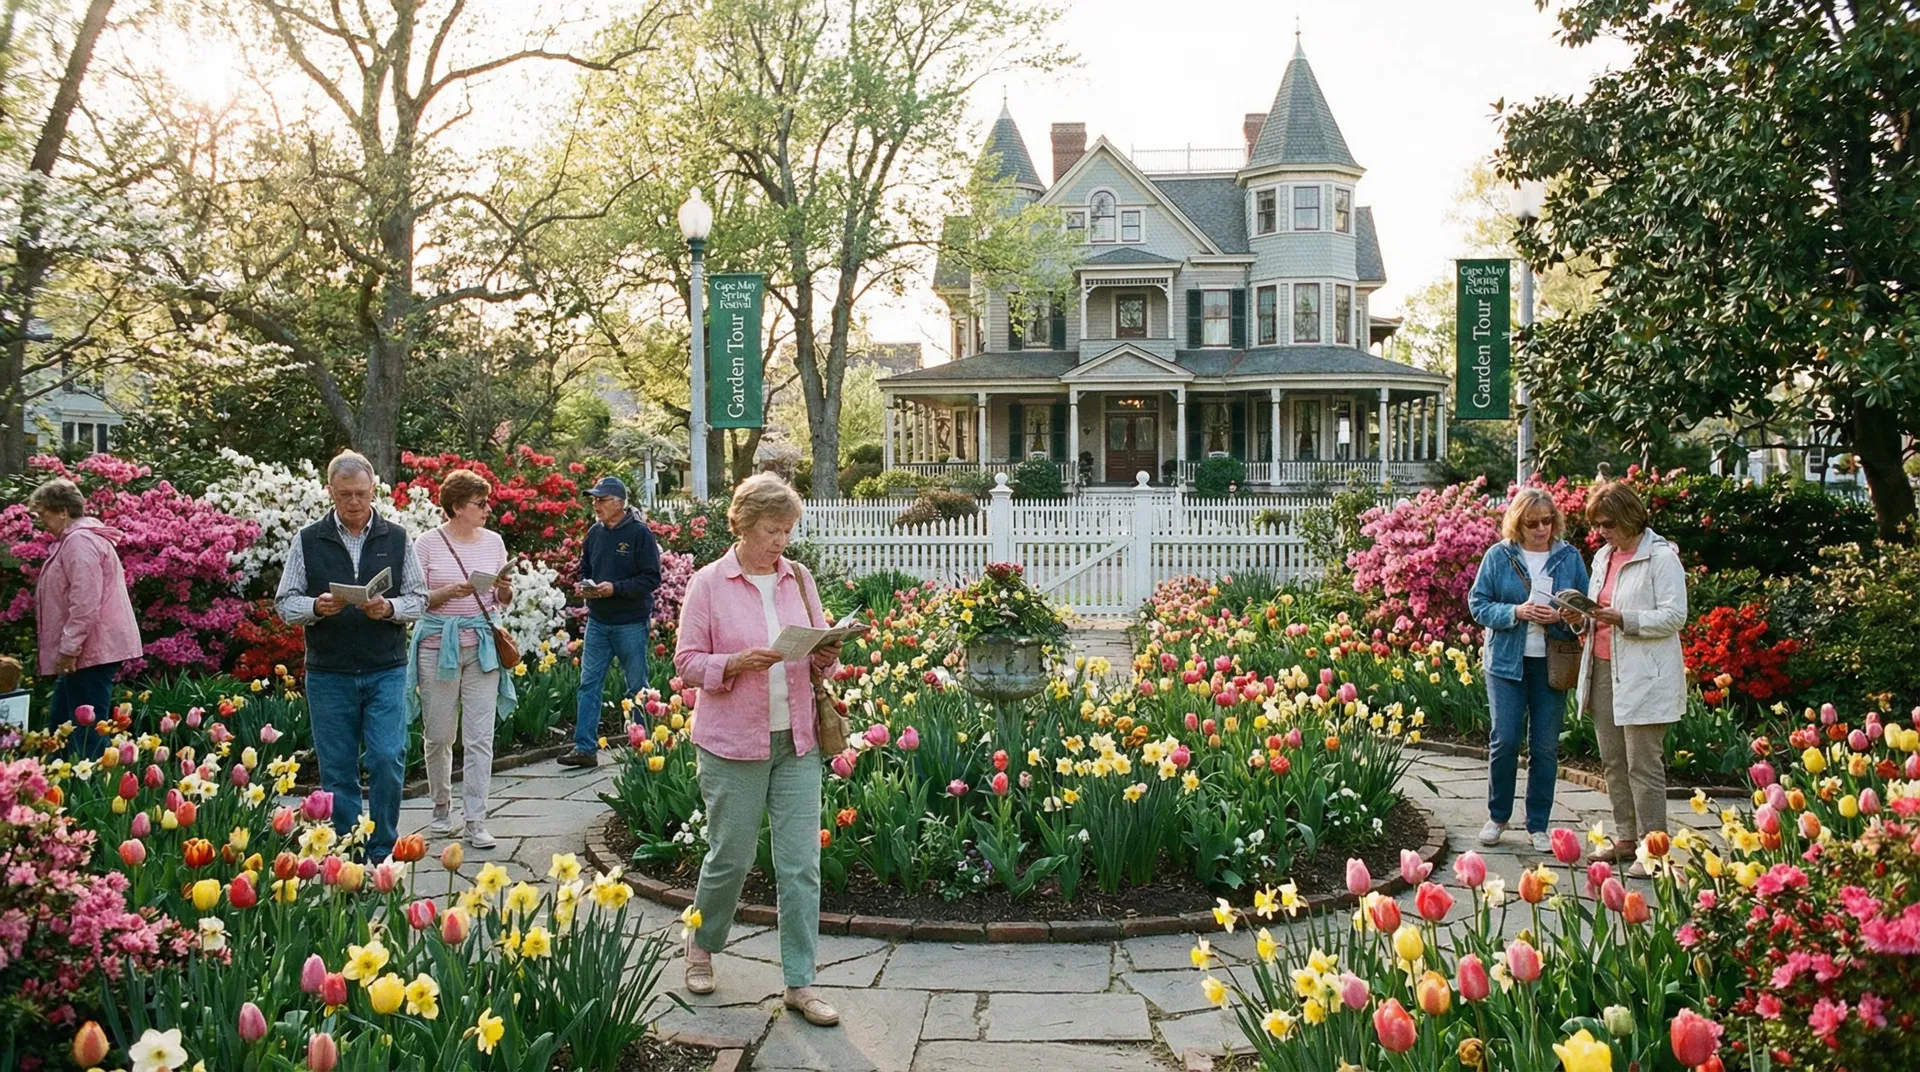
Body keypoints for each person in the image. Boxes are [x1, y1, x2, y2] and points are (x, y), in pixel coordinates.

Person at [674, 474, 848, 1028]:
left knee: (801, 865)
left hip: (797, 740)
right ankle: (701, 949)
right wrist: (732, 664)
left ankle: (801, 983)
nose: (782, 541)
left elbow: (821, 651)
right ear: (744, 525)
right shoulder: (709, 583)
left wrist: (827, 654)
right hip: (732, 744)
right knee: (731, 857)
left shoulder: (799, 577)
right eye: (773, 530)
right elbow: (685, 663)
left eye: (788, 530)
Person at [275, 450, 427, 863]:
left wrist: (390, 609)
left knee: (387, 757)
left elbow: (419, 598)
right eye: (345, 495)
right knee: (337, 769)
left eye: (361, 493)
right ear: (330, 492)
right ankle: (348, 852)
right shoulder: (308, 539)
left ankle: (382, 850)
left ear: (373, 490)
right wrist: (315, 607)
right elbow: (285, 603)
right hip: (330, 671)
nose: (354, 502)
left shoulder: (396, 537)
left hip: (386, 667)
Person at [1569, 480, 1687, 877]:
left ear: (1628, 517)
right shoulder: (1604, 557)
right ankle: (1626, 837)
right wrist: (1578, 619)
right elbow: (1597, 613)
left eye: (1607, 523)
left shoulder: (1661, 557)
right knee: (1613, 761)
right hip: (1603, 667)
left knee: (1643, 763)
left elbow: (1675, 616)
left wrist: (1626, 620)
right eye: (1597, 524)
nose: (1601, 531)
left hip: (1645, 674)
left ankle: (1654, 848)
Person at [1468, 487, 1592, 855]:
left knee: (1545, 748)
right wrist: (1515, 612)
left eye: (1547, 521)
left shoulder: (1569, 558)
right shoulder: (1500, 555)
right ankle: (1498, 816)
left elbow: (1586, 612)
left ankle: (1538, 824)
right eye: (1532, 523)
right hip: (1506, 661)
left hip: (1552, 662)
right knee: (1505, 740)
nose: (1541, 529)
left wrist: (1565, 617)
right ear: (1517, 523)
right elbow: (1478, 603)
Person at [406, 469, 516, 849]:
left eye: (487, 502)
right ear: (456, 507)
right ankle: (440, 806)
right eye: (479, 503)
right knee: (438, 735)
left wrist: (503, 589)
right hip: (438, 646)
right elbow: (418, 599)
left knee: (480, 738)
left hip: (483, 646)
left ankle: (475, 819)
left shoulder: (494, 542)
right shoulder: (426, 543)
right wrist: (453, 590)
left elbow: (502, 602)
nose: (487, 509)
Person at [28, 478, 141, 759]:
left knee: (85, 732)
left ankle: (89, 792)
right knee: (62, 727)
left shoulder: (79, 542)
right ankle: (58, 786)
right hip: (87, 650)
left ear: (63, 510)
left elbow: (84, 604)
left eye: (44, 513)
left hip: (90, 651)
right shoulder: (75, 540)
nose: (41, 520)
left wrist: (68, 649)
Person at [558, 475, 661, 768]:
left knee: (637, 689)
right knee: (588, 684)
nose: (595, 504)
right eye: (594, 499)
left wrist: (615, 588)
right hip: (598, 621)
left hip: (630, 622)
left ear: (619, 503)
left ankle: (641, 749)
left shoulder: (640, 534)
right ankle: (585, 748)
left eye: (601, 499)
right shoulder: (594, 533)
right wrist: (586, 586)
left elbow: (651, 577)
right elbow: (585, 567)